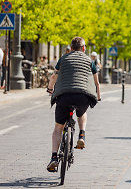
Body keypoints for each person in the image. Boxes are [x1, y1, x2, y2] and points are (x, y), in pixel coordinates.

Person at [46, 37, 101, 172]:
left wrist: (50, 88)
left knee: (58, 127)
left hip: (64, 96)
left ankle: (54, 157)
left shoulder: (63, 59)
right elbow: (96, 82)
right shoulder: (89, 60)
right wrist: (98, 96)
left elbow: (54, 77)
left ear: (70, 48)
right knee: (81, 113)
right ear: (83, 48)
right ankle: (82, 135)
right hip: (82, 96)